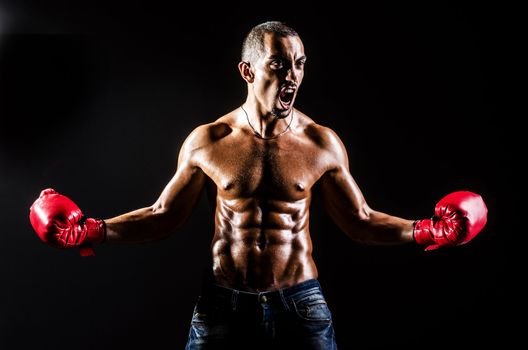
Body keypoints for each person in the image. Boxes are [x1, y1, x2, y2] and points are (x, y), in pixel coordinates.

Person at [28, 21, 488, 350]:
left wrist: (426, 230)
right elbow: (162, 216)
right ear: (248, 72)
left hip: (301, 304)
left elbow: (362, 222)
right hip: (222, 307)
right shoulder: (209, 141)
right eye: (278, 65)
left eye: (299, 65)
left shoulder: (321, 143)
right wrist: (92, 231)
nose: (292, 76)